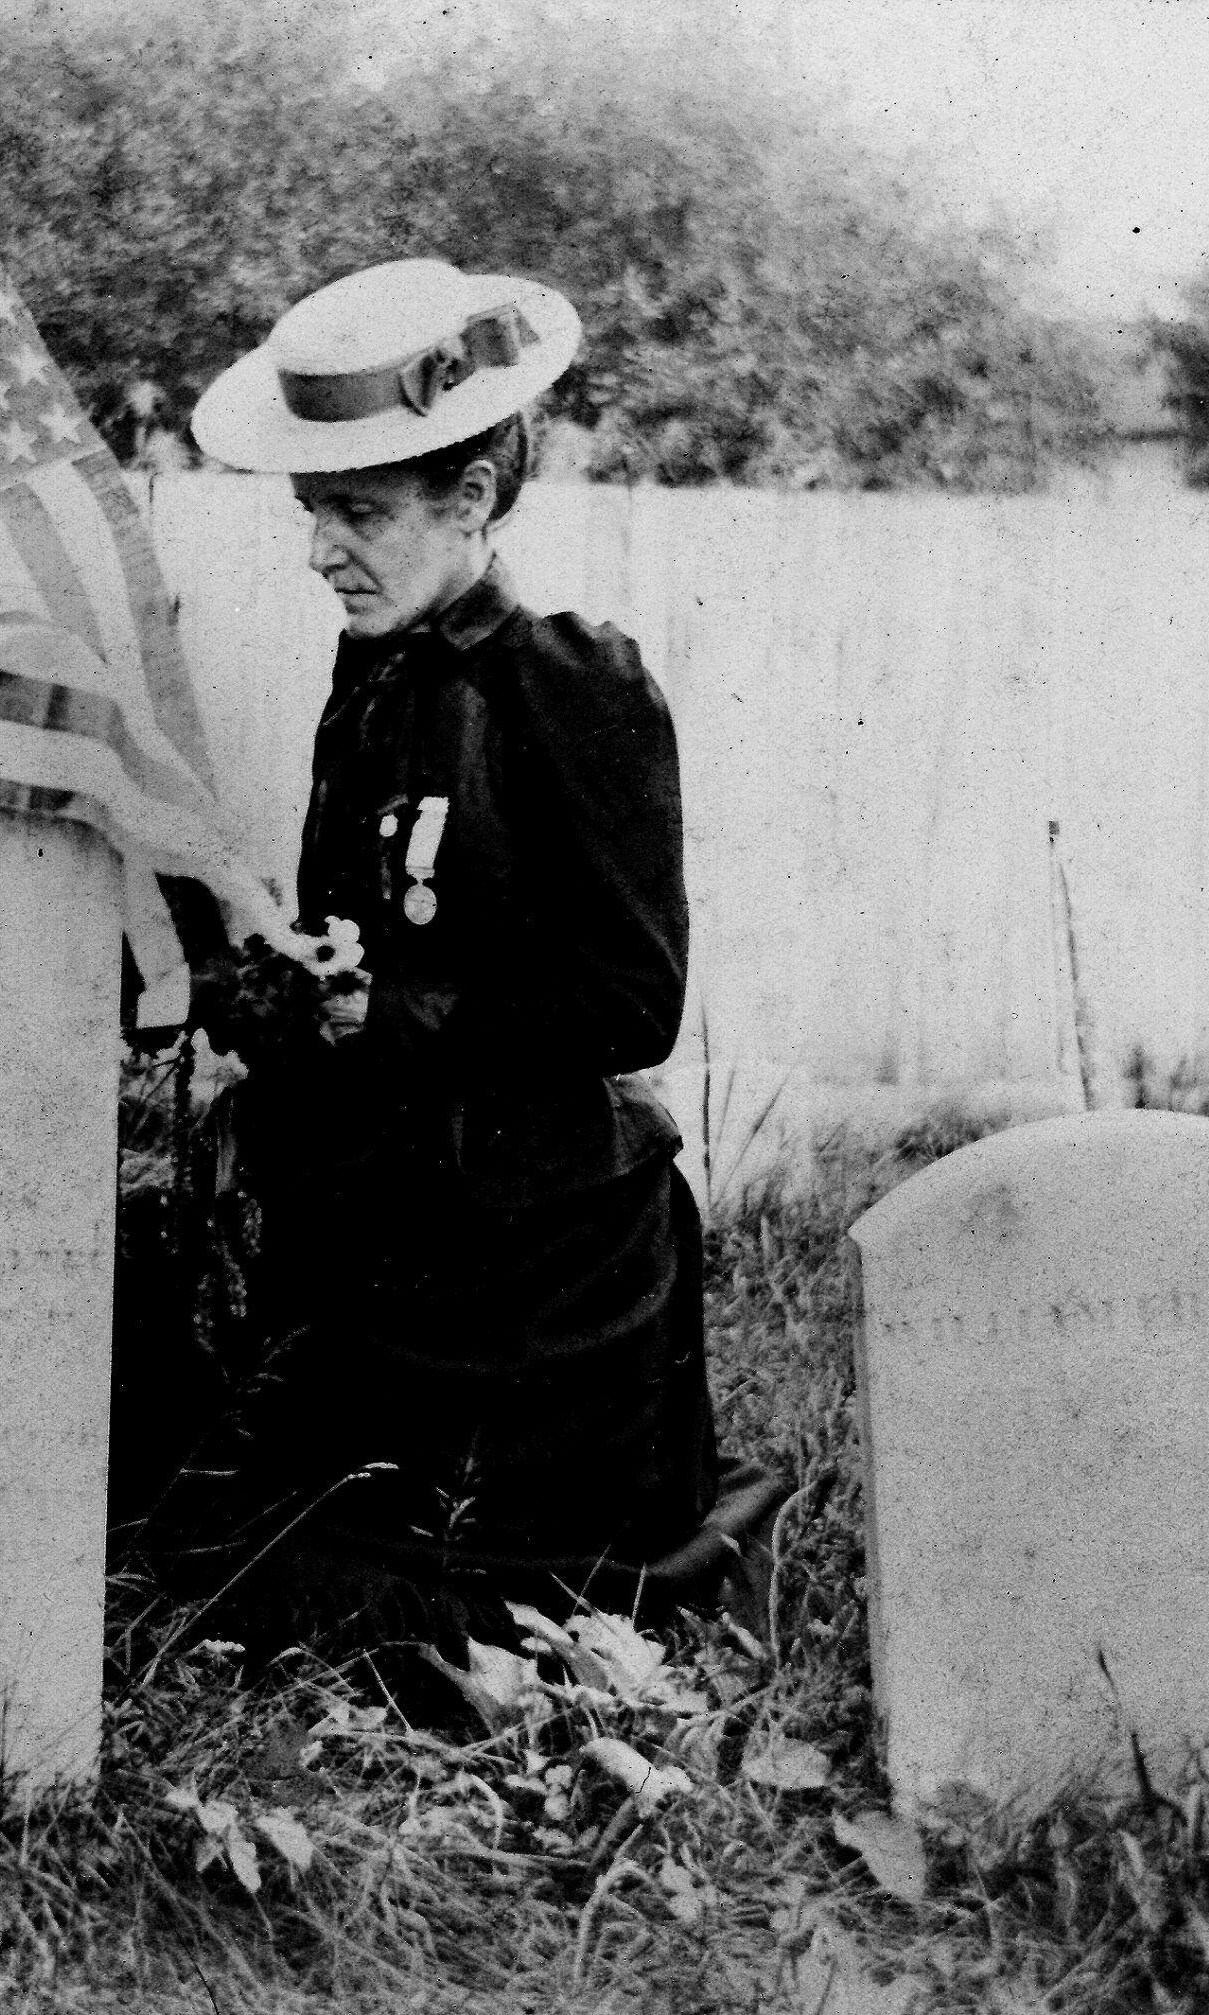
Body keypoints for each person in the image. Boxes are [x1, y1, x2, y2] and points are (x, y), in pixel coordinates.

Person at [175, 258, 784, 1661]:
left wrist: (389, 1011)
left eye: (363, 514)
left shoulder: (573, 686)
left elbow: (636, 1004)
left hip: (548, 1276)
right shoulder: (372, 668)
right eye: (313, 513)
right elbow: (380, 931)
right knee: (222, 1542)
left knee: (377, 1601)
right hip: (394, 1246)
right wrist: (281, 982)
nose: (324, 550)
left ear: (472, 501)